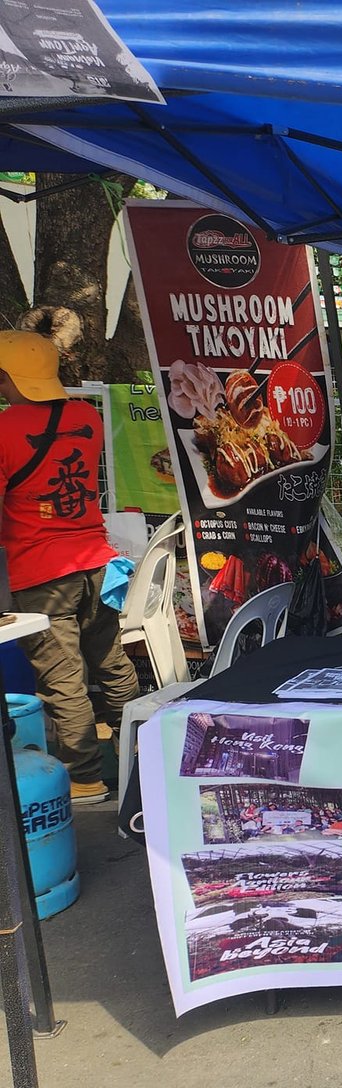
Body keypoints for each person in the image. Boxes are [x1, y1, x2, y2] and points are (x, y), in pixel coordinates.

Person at [0, 332, 140, 801]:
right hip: (97, 564)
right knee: (111, 662)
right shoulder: (86, 416)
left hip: (42, 574)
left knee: (63, 680)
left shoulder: (4, 429)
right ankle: (139, 753)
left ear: (6, 377)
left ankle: (84, 778)